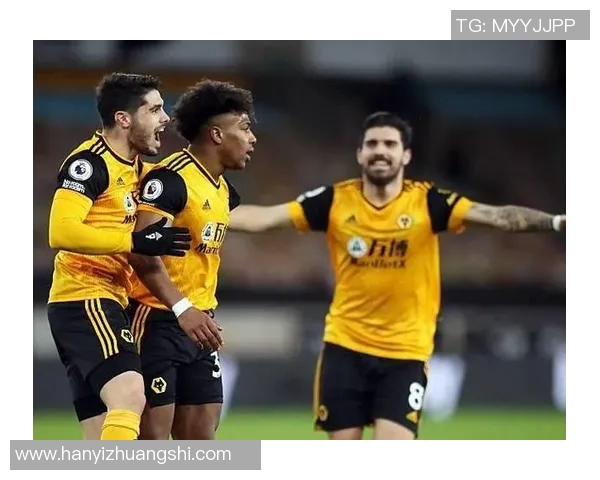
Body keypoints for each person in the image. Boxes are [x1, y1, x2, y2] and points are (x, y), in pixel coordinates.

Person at [228, 111, 566, 440]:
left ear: (406, 155)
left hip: (405, 353)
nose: (380, 151)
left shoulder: (428, 203)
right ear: (360, 153)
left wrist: (555, 222)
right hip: (345, 347)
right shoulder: (335, 201)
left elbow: (498, 216)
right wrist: (207, 212)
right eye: (372, 143)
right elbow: (265, 219)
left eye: (390, 144)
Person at [46, 72, 192, 441]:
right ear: (124, 119)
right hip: (85, 296)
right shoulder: (90, 163)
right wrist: (134, 240)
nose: (165, 118)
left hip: (104, 299)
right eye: (154, 110)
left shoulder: (139, 169)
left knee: (100, 433)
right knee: (130, 394)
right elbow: (61, 232)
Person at [126, 79, 256, 439]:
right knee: (150, 443)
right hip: (155, 320)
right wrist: (183, 308)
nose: (252, 139)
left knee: (201, 444)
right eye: (245, 128)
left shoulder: (224, 191)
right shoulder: (171, 180)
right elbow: (141, 251)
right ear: (216, 134)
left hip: (200, 325)